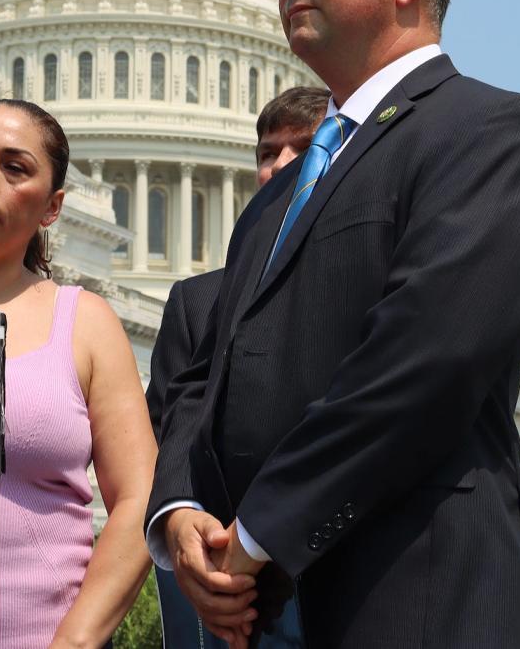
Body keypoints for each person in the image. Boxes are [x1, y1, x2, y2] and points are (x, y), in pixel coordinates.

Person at [146, 0, 520, 649]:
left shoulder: (489, 132)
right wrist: (177, 514)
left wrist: (260, 533)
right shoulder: (275, 199)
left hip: (415, 596)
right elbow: (203, 379)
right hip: (256, 611)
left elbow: (422, 362)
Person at [0, 98, 155, 649]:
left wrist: (76, 640)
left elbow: (139, 495)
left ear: (52, 207)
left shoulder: (85, 323)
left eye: (15, 167)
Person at [147, 86, 328, 649]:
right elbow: (170, 429)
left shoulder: (373, 288)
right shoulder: (198, 302)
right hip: (223, 591)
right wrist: (180, 520)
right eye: (267, 153)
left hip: (338, 574)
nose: (279, 166)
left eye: (303, 149)